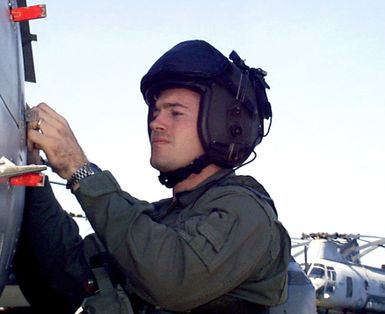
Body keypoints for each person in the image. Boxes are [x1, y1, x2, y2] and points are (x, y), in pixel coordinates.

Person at [14, 40, 290, 314]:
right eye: (156, 111)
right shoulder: (158, 220)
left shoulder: (247, 212)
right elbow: (64, 275)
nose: (156, 122)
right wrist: (33, 171)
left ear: (224, 123)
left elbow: (171, 280)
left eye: (175, 112)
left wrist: (78, 170)